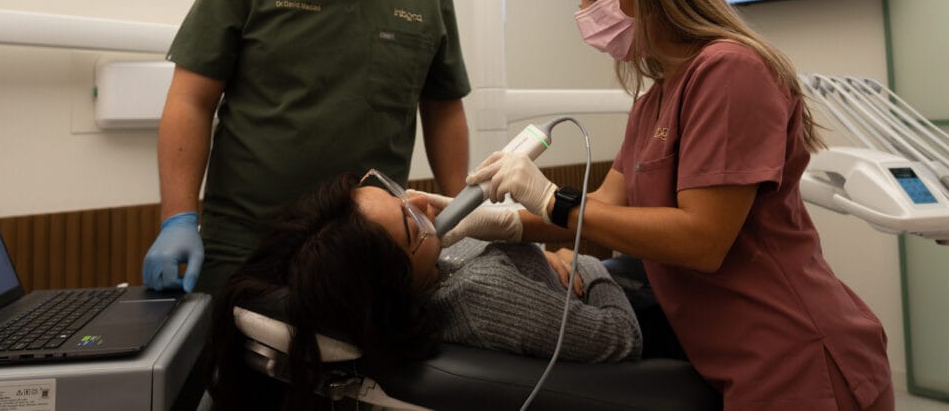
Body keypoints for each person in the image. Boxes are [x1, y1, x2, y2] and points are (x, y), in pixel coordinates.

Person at [447, 0, 894, 410]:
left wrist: (551, 196)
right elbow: (603, 210)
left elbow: (703, 239)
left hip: (796, 355)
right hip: (732, 360)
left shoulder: (730, 70)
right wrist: (488, 221)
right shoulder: (654, 100)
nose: (587, 14)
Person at [143, 0, 471, 297]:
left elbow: (444, 111)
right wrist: (178, 218)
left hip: (366, 250)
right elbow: (190, 100)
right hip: (246, 243)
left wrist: (456, 217)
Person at [206, 170, 641, 410]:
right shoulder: (485, 297)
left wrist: (533, 251)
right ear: (395, 281)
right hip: (618, 308)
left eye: (394, 192)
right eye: (409, 221)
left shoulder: (436, 266)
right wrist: (579, 258)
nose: (420, 203)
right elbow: (623, 338)